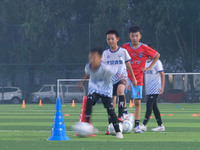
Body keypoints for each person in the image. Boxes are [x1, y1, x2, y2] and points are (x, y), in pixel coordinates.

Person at [122, 26, 160, 133]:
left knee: (137, 102)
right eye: (132, 36)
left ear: (140, 36)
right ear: (129, 36)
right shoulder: (125, 47)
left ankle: (136, 126)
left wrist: (149, 67)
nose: (134, 38)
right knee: (120, 92)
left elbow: (157, 55)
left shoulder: (144, 47)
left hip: (138, 78)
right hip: (126, 76)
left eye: (136, 36)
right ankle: (124, 113)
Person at [80, 47, 123, 139]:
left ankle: (118, 132)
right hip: (94, 90)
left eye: (94, 57)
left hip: (106, 91)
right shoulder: (88, 67)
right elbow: (87, 74)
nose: (92, 59)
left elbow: (116, 74)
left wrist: (122, 79)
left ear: (100, 58)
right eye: (90, 57)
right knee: (89, 99)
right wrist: (81, 82)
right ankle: (88, 126)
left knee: (110, 110)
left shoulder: (106, 68)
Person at [102, 30, 137, 135]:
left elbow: (128, 66)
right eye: (108, 39)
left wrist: (134, 79)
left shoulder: (123, 52)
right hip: (109, 80)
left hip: (122, 78)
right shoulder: (105, 53)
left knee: (120, 90)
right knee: (111, 104)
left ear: (117, 39)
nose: (110, 41)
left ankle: (121, 115)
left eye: (112, 39)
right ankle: (111, 126)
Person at [139, 43, 165, 132]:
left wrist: (162, 87)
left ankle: (144, 124)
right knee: (154, 107)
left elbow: (162, 74)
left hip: (155, 88)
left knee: (149, 104)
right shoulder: (145, 62)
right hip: (148, 88)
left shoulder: (157, 62)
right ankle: (160, 125)